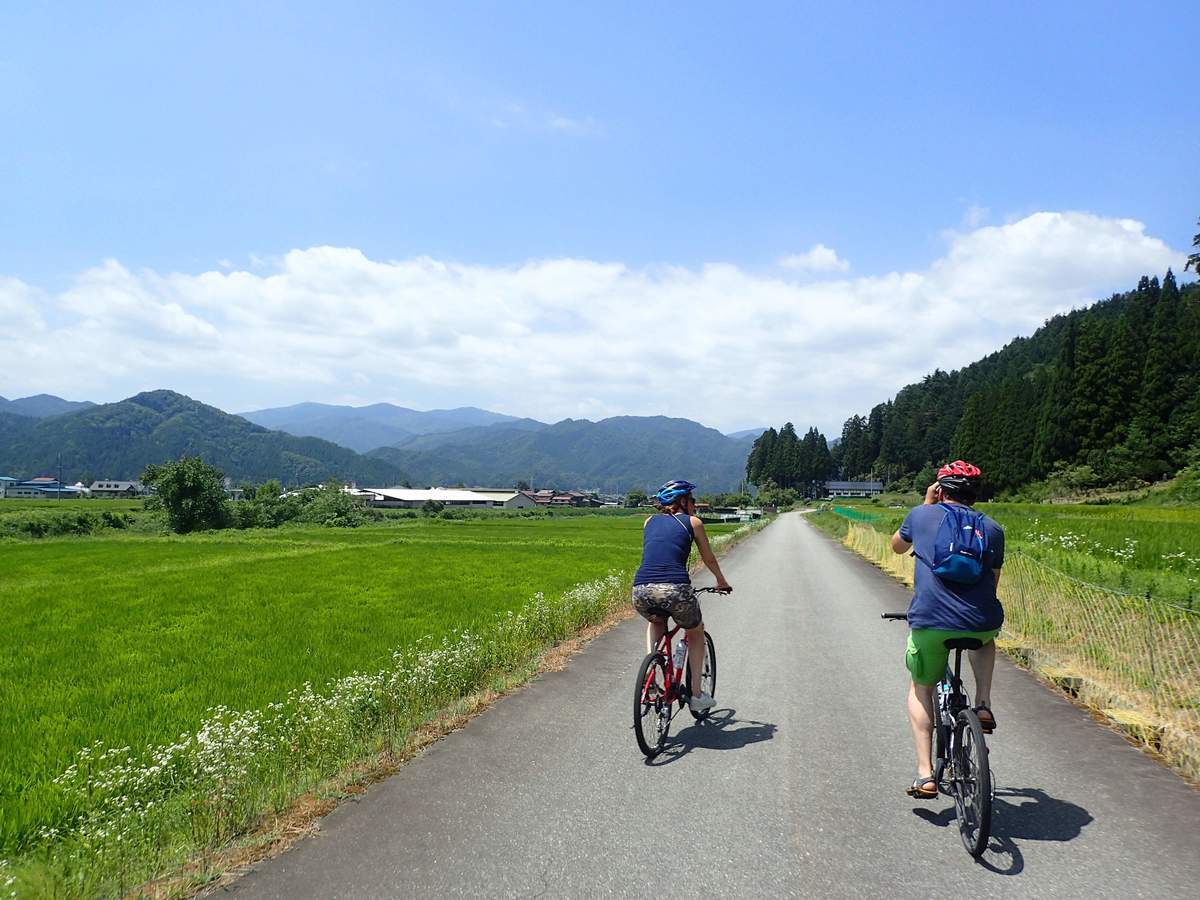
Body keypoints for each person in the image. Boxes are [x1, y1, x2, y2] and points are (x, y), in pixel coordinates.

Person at [890, 460, 1005, 799]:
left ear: (940, 490)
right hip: (981, 620)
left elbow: (897, 546)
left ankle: (925, 774)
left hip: (931, 620)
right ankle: (982, 703)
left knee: (921, 687)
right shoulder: (993, 528)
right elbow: (993, 583)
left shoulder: (922, 514)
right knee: (984, 643)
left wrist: (927, 504)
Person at [632, 479, 733, 712]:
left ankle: (651, 671)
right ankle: (696, 695)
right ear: (682, 501)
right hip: (675, 589)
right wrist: (721, 581)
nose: (695, 504)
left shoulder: (649, 522)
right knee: (695, 632)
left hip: (640, 590)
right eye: (692, 500)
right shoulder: (693, 522)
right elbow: (708, 558)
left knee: (656, 620)